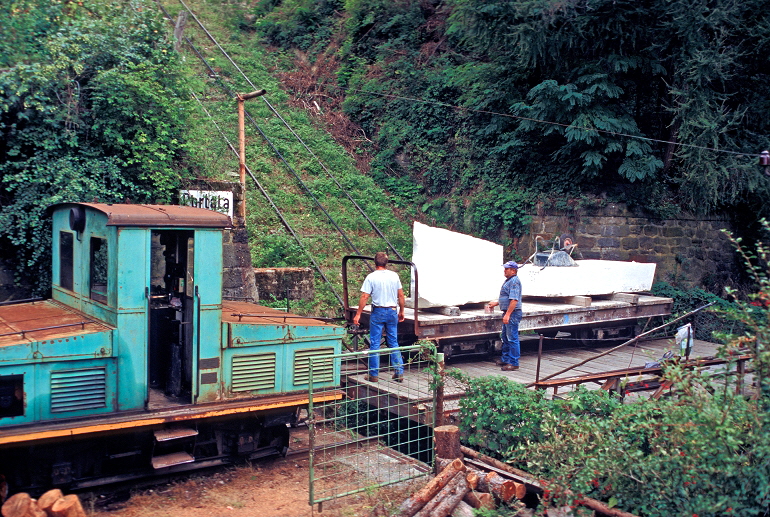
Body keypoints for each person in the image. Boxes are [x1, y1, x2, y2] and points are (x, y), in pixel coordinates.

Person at [353, 252, 405, 382]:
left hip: (378, 312)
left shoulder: (371, 277)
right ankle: (399, 372)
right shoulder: (394, 276)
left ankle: (373, 375)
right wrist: (402, 311)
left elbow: (365, 296)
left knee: (375, 344)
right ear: (386, 263)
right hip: (392, 311)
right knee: (393, 342)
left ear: (375, 262)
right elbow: (401, 296)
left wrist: (358, 314)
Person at [486, 260, 523, 371]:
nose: (504, 270)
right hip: (509, 313)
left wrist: (507, 314)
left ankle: (514, 362)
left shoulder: (514, 282)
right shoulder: (509, 281)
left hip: (513, 313)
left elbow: (514, 300)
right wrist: (497, 303)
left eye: (507, 269)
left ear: (513, 270)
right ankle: (506, 359)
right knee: (506, 338)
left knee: (512, 338)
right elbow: (507, 297)